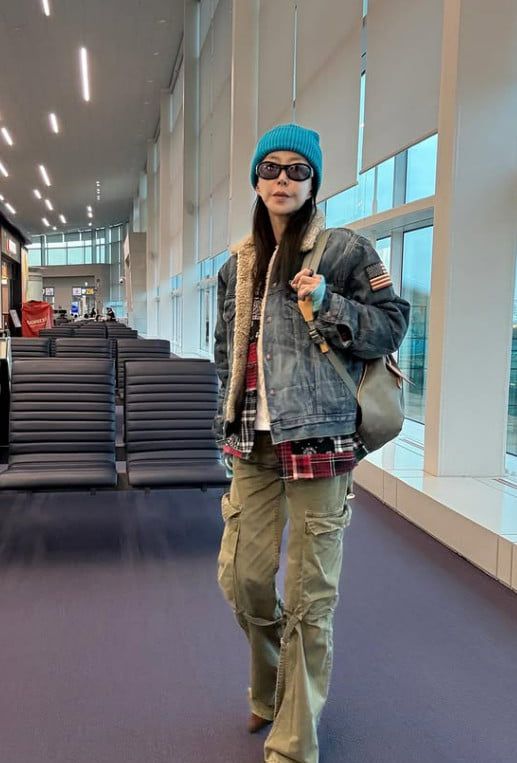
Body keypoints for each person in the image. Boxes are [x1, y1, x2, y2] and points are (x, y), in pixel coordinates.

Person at [213, 123, 410, 763]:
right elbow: (226, 352)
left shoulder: (346, 251)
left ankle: (295, 740)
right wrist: (227, 419)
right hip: (253, 442)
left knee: (308, 595)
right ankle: (272, 686)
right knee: (244, 579)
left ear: (314, 181)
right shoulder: (236, 266)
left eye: (298, 170)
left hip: (320, 440)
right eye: (271, 167)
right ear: (256, 178)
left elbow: (392, 325)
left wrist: (328, 302)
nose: (283, 179)